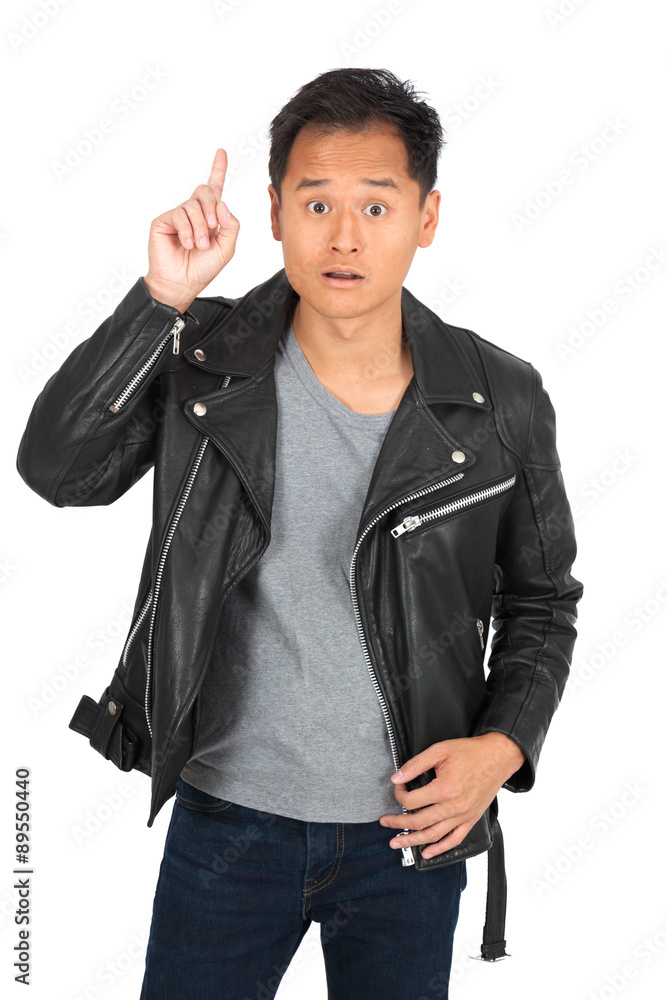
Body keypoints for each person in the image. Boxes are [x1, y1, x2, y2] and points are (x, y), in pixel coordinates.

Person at [16, 67, 583, 999]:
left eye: (376, 205)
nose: (343, 236)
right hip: (224, 820)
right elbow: (58, 471)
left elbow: (543, 600)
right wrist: (159, 300)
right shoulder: (201, 360)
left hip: (412, 829)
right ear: (275, 213)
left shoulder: (499, 397)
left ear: (427, 218)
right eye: (316, 203)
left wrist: (502, 747)